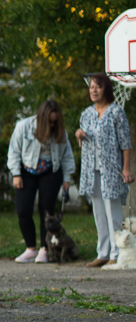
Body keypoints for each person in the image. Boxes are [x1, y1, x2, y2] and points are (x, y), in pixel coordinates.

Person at [7, 100, 75, 263]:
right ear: (41, 118)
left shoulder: (60, 131)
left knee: (47, 211)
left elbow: (67, 155)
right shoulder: (24, 126)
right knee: (23, 210)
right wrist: (16, 174)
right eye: (49, 121)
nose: (52, 125)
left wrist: (67, 178)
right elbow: (14, 150)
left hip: (51, 172)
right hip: (26, 171)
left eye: (55, 122)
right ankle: (30, 248)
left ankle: (45, 249)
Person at [76, 74, 134, 267]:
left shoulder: (117, 112)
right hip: (91, 171)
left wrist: (126, 169)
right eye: (91, 87)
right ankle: (103, 252)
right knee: (98, 212)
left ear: (106, 89)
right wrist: (79, 135)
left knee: (113, 212)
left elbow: (125, 143)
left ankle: (117, 254)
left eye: (98, 87)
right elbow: (83, 143)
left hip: (111, 170)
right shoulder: (86, 114)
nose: (93, 90)